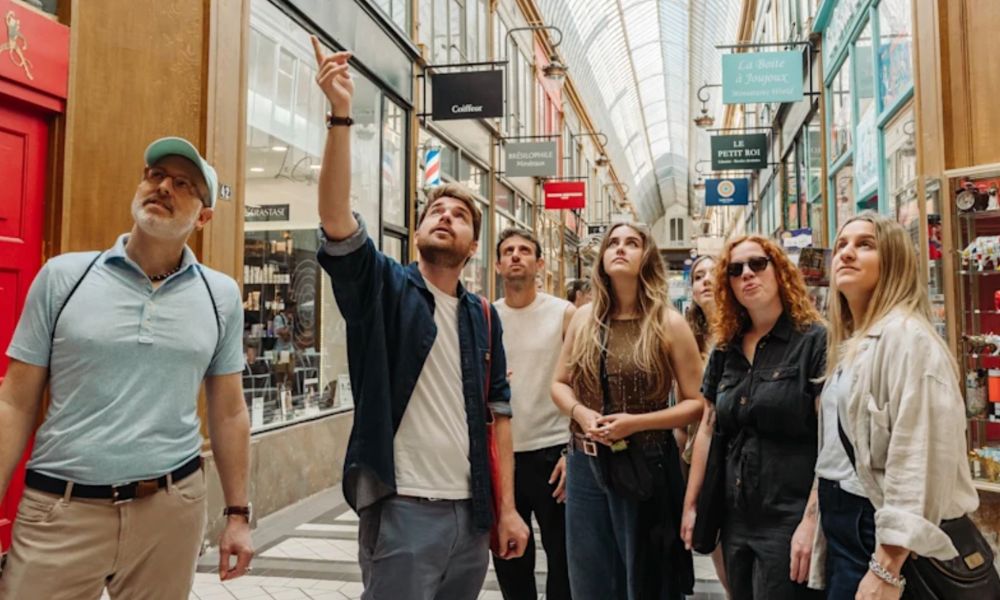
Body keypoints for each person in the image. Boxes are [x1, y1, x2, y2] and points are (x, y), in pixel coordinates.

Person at [310, 37, 529, 600]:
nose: (446, 218)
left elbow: (497, 415)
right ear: (419, 228)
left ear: (473, 244)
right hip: (404, 506)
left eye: (459, 215)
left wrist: (505, 510)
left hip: (472, 514)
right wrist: (340, 115)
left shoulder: (483, 314)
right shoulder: (384, 286)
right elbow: (336, 218)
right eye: (436, 210)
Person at [0, 137, 254, 599]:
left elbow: (230, 412)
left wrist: (238, 514)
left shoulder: (221, 297)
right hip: (61, 508)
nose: (162, 188)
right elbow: (14, 402)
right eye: (154, 175)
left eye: (182, 184)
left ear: (204, 217)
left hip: (170, 512)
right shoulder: (64, 277)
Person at [811, 211, 980, 599]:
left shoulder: (908, 339)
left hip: (880, 528)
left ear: (895, 262)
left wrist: (887, 565)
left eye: (865, 244)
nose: (847, 253)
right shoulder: (856, 341)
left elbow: (919, 455)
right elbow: (838, 451)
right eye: (842, 245)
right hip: (844, 518)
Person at [551, 222, 704, 600]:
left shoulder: (668, 323)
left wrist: (635, 424)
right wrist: (581, 414)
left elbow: (697, 402)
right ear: (602, 258)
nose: (620, 249)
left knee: (645, 576)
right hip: (585, 463)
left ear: (646, 257)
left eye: (631, 243)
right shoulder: (584, 319)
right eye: (613, 243)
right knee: (590, 576)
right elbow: (559, 383)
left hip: (645, 462)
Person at [681, 235, 826, 600]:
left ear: (779, 271)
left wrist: (812, 522)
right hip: (735, 515)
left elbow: (831, 441)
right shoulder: (725, 349)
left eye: (757, 264)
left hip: (788, 516)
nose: (747, 274)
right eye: (735, 269)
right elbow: (708, 429)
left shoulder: (813, 341)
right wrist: (692, 503)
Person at [494, 227, 575, 600]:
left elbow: (584, 384)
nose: (515, 255)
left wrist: (571, 451)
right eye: (508, 250)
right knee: (511, 560)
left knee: (563, 561)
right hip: (503, 458)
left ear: (539, 263)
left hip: (552, 455)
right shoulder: (485, 317)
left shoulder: (564, 314)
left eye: (524, 250)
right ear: (497, 265)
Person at [680, 255, 731, 599]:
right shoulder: (686, 335)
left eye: (714, 273)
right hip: (698, 449)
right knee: (712, 534)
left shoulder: (744, 329)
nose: (706, 281)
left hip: (736, 448)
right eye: (699, 276)